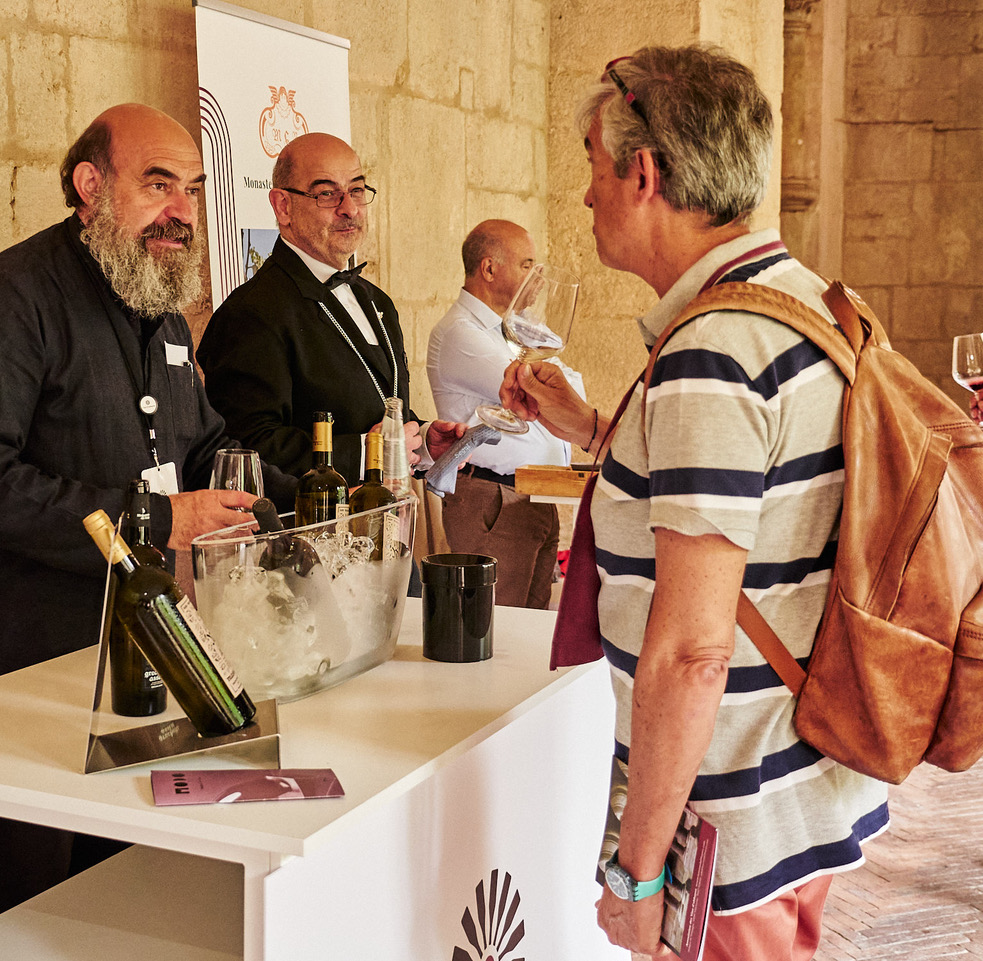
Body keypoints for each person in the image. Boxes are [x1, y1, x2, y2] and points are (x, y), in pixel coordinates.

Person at [501, 47, 888, 961]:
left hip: (732, 801)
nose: (585, 195)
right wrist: (593, 427)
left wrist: (636, 872)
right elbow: (758, 495)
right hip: (803, 769)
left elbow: (690, 653)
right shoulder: (800, 301)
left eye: (593, 167)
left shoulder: (711, 350)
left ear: (643, 174)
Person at [0, 103, 292, 925]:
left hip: (133, 651)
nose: (181, 212)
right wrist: (158, 521)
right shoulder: (15, 296)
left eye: (192, 189)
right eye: (158, 185)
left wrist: (302, 498)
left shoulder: (156, 300)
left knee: (118, 887)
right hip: (26, 654)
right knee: (32, 898)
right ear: (90, 185)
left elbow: (200, 443)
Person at [196, 132, 462, 483]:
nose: (349, 208)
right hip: (308, 515)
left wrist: (423, 440)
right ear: (283, 207)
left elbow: (373, 407)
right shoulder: (251, 312)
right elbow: (245, 447)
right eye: (326, 193)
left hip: (384, 511)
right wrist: (365, 454)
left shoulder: (376, 300)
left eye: (356, 190)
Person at [426, 220, 586, 609]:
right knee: (499, 626)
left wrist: (555, 380)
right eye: (528, 265)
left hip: (531, 494)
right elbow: (542, 394)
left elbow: (573, 396)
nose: (538, 278)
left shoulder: (515, 329)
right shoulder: (461, 332)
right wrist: (552, 379)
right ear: (489, 268)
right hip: (492, 500)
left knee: (531, 631)